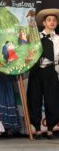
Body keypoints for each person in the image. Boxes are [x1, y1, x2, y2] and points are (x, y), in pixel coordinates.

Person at [27, 8, 59, 139]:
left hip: (50, 70)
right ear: (44, 23)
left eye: (54, 20)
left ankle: (51, 128)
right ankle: (37, 128)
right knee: (34, 98)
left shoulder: (57, 39)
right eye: (49, 20)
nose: (52, 22)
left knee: (52, 99)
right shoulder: (36, 37)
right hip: (36, 70)